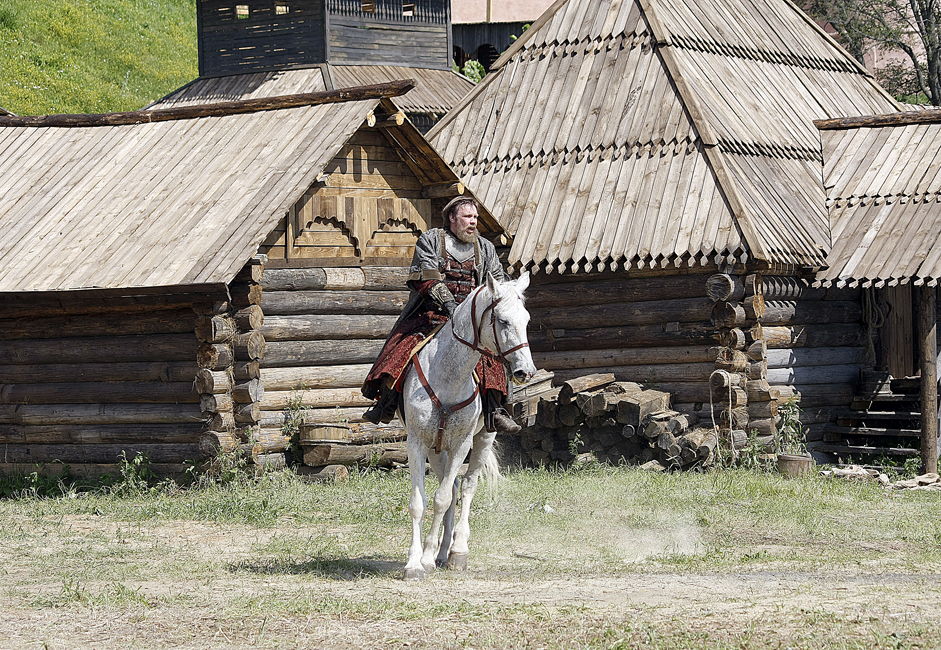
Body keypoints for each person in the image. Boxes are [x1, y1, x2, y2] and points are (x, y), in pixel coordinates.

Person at [361, 196, 521, 434]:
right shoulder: (431, 240)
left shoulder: (485, 247)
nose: (473, 222)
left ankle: (495, 410)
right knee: (402, 348)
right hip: (433, 315)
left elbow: (498, 280)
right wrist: (448, 304)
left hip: (473, 321)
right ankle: (386, 401)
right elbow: (426, 276)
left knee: (492, 353)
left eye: (475, 217)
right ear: (452, 218)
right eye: (468, 217)